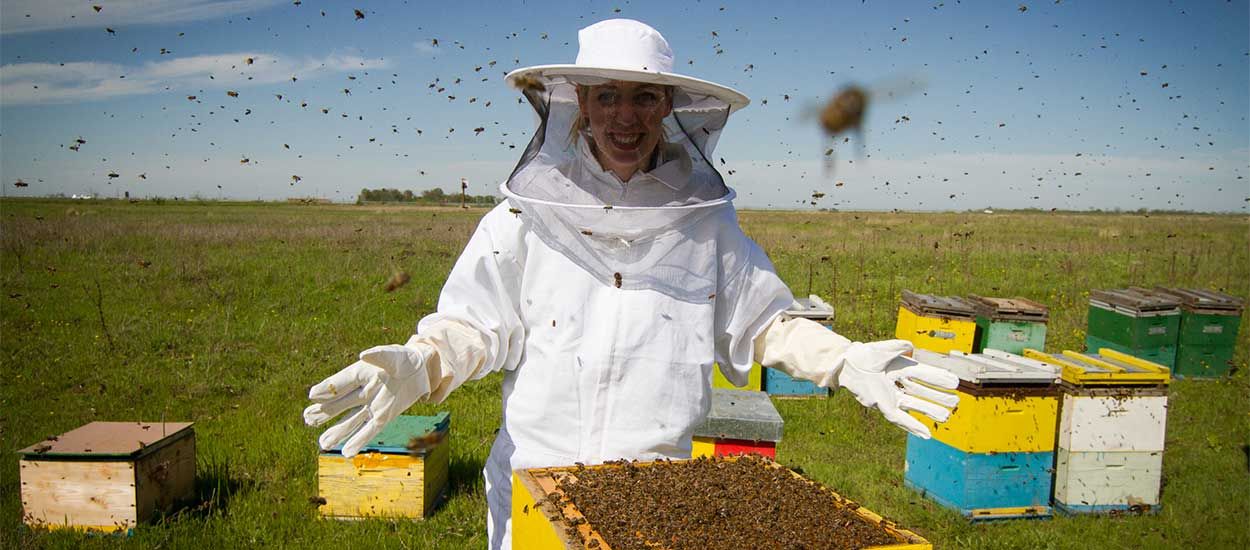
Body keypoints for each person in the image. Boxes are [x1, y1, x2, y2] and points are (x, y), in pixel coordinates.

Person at [304, 19, 960, 549]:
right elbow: (474, 325)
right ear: (580, 105)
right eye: (607, 95)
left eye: (643, 96)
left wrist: (844, 360)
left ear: (668, 106)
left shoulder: (707, 227)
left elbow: (765, 322)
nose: (625, 116)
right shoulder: (524, 218)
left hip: (655, 501)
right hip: (535, 489)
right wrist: (420, 366)